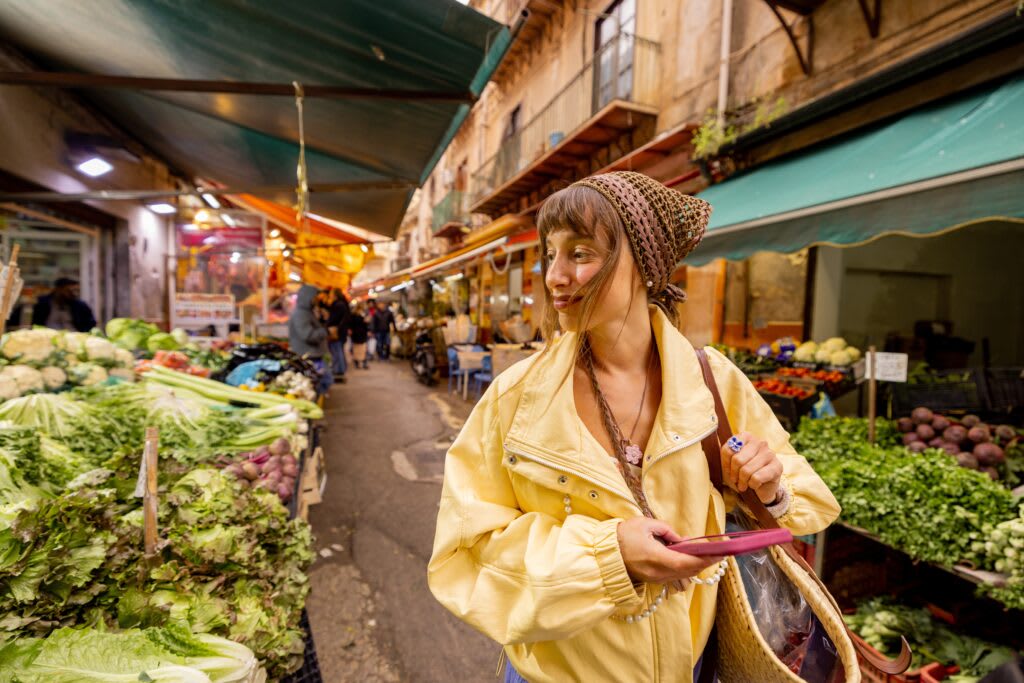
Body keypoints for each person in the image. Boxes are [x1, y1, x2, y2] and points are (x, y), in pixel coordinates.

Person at [427, 172, 840, 682]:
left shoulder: (711, 381)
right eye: (550, 254)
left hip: (690, 669)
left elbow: (807, 504)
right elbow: (465, 552)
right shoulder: (517, 398)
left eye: (580, 253)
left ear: (644, 265)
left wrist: (769, 485)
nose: (555, 276)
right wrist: (609, 556)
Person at [288, 284, 332, 394]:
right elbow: (307, 335)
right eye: (314, 297)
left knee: (323, 381)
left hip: (313, 354)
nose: (316, 300)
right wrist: (325, 331)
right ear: (307, 297)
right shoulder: (301, 314)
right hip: (309, 355)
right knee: (321, 382)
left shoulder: (307, 312)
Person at [324, 288, 351, 383]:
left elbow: (334, 319)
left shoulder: (338, 305)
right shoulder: (342, 304)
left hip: (336, 332)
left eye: (331, 294)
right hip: (341, 331)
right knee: (339, 351)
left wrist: (327, 323)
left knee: (337, 351)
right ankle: (340, 369)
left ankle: (339, 370)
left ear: (335, 295)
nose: (330, 295)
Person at [348, 302, 370, 369]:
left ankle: (359, 363)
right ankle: (363, 363)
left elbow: (351, 324)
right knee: (362, 348)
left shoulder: (355, 314)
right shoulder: (359, 314)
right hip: (360, 333)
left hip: (358, 333)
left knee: (358, 348)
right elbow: (352, 323)